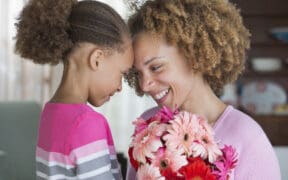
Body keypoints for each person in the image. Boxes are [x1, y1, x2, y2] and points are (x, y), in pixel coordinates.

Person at [124, 0, 281, 179]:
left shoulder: (248, 138)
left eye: (156, 67)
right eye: (138, 74)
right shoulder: (148, 126)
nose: (144, 85)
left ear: (193, 55)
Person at [15, 0, 133, 179]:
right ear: (97, 59)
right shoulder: (87, 123)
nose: (119, 87)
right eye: (122, 74)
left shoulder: (49, 112)